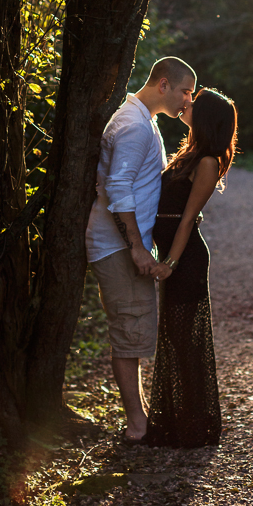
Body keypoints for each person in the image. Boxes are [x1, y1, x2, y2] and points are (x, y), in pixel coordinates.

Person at [85, 57, 196, 442]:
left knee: (134, 331)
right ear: (163, 84)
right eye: (185, 91)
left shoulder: (143, 119)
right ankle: (137, 426)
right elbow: (118, 187)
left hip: (125, 244)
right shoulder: (134, 125)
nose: (188, 99)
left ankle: (141, 418)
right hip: (117, 247)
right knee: (130, 331)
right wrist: (135, 246)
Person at [146, 87, 238, 448]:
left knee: (186, 342)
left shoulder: (208, 162)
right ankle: (176, 419)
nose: (188, 105)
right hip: (174, 254)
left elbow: (186, 220)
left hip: (185, 259)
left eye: (195, 105)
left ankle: (195, 426)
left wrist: (169, 262)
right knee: (174, 338)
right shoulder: (191, 153)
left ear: (206, 119)